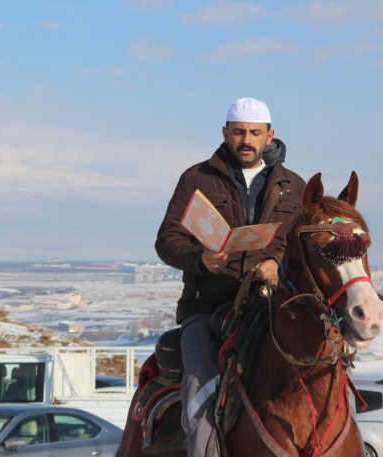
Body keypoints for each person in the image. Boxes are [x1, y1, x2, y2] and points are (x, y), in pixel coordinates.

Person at [155, 97, 305, 457]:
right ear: (225, 133)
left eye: (255, 132)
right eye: (239, 132)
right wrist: (201, 258)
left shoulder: (294, 186)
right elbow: (166, 241)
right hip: (206, 307)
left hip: (269, 304)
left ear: (270, 136)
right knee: (200, 388)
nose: (246, 140)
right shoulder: (197, 178)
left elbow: (302, 246)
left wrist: (277, 264)